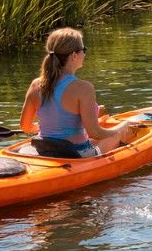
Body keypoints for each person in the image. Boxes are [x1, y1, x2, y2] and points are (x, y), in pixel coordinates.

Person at [19, 27, 138, 157]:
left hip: (44, 149)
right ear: (74, 55)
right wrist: (123, 126)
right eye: (83, 50)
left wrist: (49, 127)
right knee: (116, 134)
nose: (85, 54)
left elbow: (25, 127)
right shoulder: (84, 88)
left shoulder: (36, 84)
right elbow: (95, 133)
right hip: (76, 154)